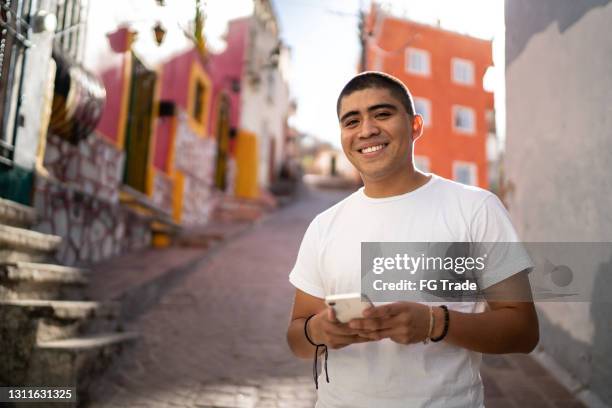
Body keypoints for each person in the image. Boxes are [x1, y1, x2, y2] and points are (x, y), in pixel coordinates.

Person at [285, 71, 539, 407]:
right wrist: (319, 331)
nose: (367, 130)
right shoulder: (323, 226)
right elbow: (297, 337)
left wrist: (436, 322)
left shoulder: (476, 209)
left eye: (382, 114)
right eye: (351, 121)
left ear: (415, 126)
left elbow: (523, 331)